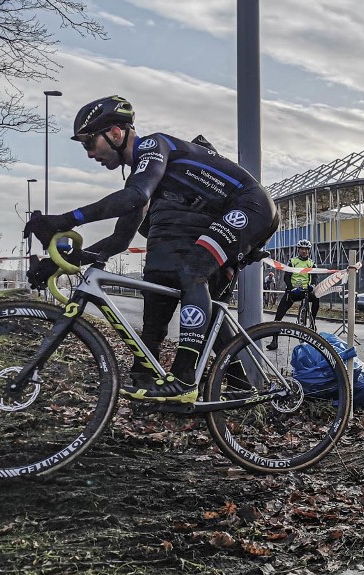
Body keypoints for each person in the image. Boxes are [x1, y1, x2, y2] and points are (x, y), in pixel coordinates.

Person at [24, 95, 277, 402]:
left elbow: (133, 196)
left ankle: (184, 380)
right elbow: (118, 241)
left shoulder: (154, 146)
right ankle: (235, 383)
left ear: (115, 133)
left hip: (251, 205)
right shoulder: (143, 177)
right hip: (226, 211)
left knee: (193, 270)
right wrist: (60, 261)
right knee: (188, 290)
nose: (90, 154)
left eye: (89, 143)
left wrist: (67, 219)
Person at [266, 240, 318, 348]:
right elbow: (287, 277)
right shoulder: (292, 261)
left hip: (306, 291)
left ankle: (313, 323)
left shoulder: (312, 263)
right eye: (302, 249)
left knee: (316, 299)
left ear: (308, 251)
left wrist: (312, 286)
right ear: (298, 250)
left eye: (306, 249)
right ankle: (274, 340)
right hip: (294, 291)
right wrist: (291, 288)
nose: (304, 251)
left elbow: (315, 278)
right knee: (279, 315)